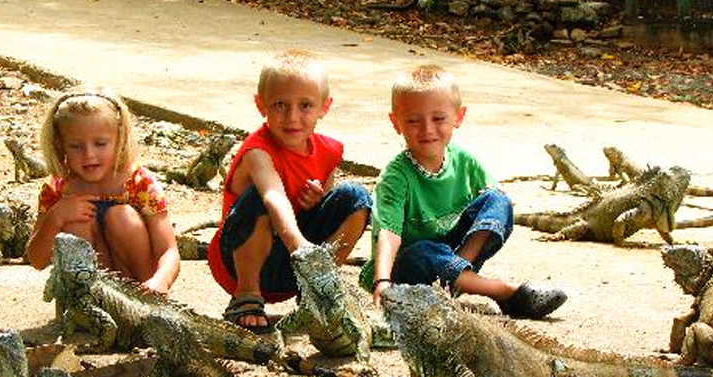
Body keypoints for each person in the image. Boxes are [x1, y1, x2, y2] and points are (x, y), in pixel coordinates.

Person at [361, 65, 567, 319]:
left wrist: (455, 262)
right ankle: (503, 291)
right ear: (396, 122)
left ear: (458, 116)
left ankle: (455, 274)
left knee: (498, 200)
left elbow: (492, 205)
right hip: (410, 271)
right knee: (422, 252)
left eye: (438, 119)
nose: (427, 129)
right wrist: (382, 280)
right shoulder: (396, 175)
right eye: (413, 121)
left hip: (453, 258)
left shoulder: (465, 161)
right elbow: (388, 233)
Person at [207, 49, 372, 333]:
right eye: (280, 104)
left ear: (325, 106)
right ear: (261, 105)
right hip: (239, 262)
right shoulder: (257, 150)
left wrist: (317, 201)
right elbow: (273, 195)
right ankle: (246, 296)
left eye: (306, 105)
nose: (292, 117)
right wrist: (300, 246)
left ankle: (317, 291)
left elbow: (325, 206)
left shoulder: (329, 150)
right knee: (260, 197)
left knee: (357, 198)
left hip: (294, 266)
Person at [25, 86, 180, 294]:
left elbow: (169, 251)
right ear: (60, 145)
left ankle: (146, 302)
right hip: (85, 296)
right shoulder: (58, 189)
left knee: (121, 216)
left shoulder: (140, 183)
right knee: (74, 220)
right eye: (76, 146)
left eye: (100, 143)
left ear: (120, 140)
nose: (89, 154)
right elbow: (36, 260)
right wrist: (56, 217)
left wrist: (160, 281)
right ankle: (84, 299)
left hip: (141, 288)